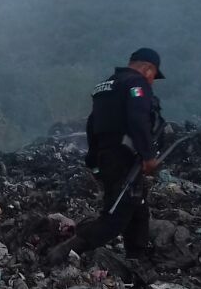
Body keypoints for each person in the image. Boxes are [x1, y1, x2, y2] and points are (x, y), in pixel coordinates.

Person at [49, 47, 166, 264]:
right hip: (123, 158)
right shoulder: (136, 84)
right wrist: (148, 155)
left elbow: (92, 125)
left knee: (138, 206)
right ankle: (65, 250)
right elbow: (138, 119)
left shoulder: (106, 86)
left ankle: (136, 257)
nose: (151, 82)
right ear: (148, 69)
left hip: (107, 157)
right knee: (114, 218)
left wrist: (93, 161)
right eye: (153, 76)